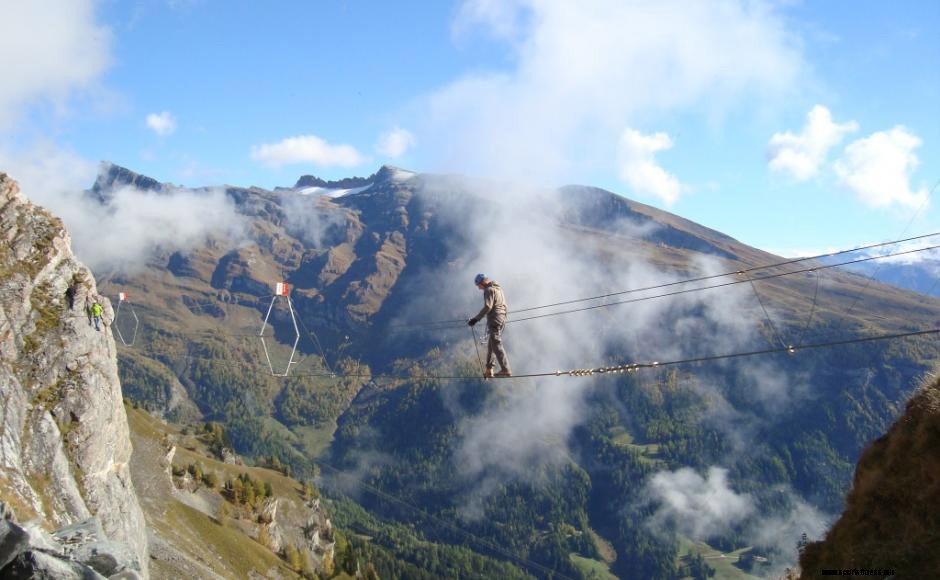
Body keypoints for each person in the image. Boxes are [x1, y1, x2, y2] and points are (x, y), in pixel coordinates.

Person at [468, 273, 512, 378]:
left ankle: (506, 370)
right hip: (502, 318)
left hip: (495, 319)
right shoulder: (498, 289)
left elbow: (488, 307)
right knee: (492, 344)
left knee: (496, 344)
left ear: (482, 282)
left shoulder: (488, 290)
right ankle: (489, 369)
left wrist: (475, 319)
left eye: (478, 285)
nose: (479, 288)